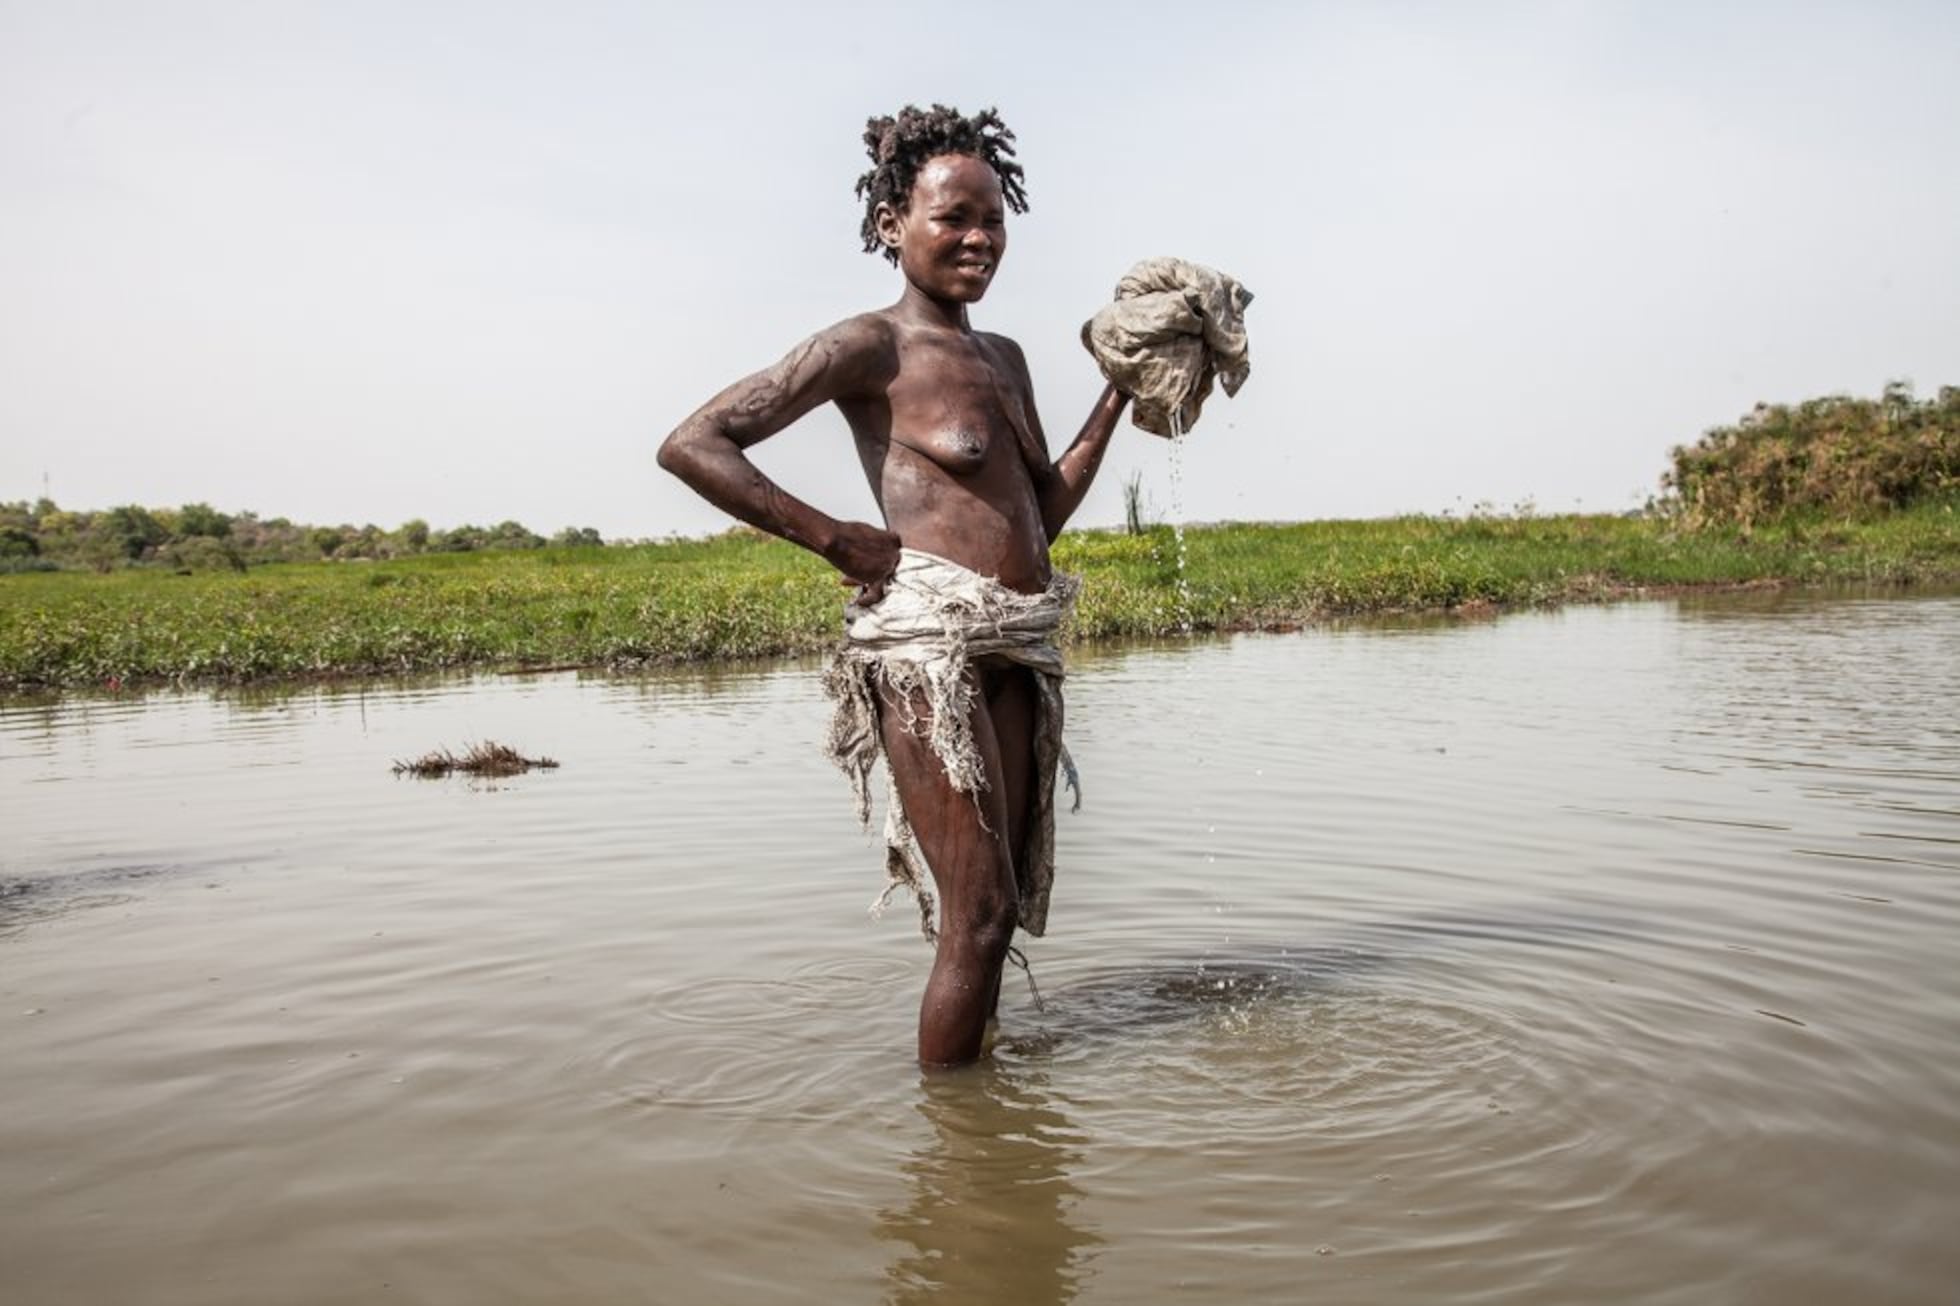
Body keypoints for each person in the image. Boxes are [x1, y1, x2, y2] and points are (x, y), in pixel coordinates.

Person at [657, 104, 1128, 1066]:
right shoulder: (869, 347)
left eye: (993, 220)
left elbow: (1041, 509)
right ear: (891, 226)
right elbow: (692, 444)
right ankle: (958, 1158)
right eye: (954, 217)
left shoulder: (1005, 360)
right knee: (980, 912)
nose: (979, 239)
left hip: (1015, 639)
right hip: (927, 645)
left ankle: (992, 1133)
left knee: (1003, 910)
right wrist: (835, 539)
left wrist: (1118, 391)